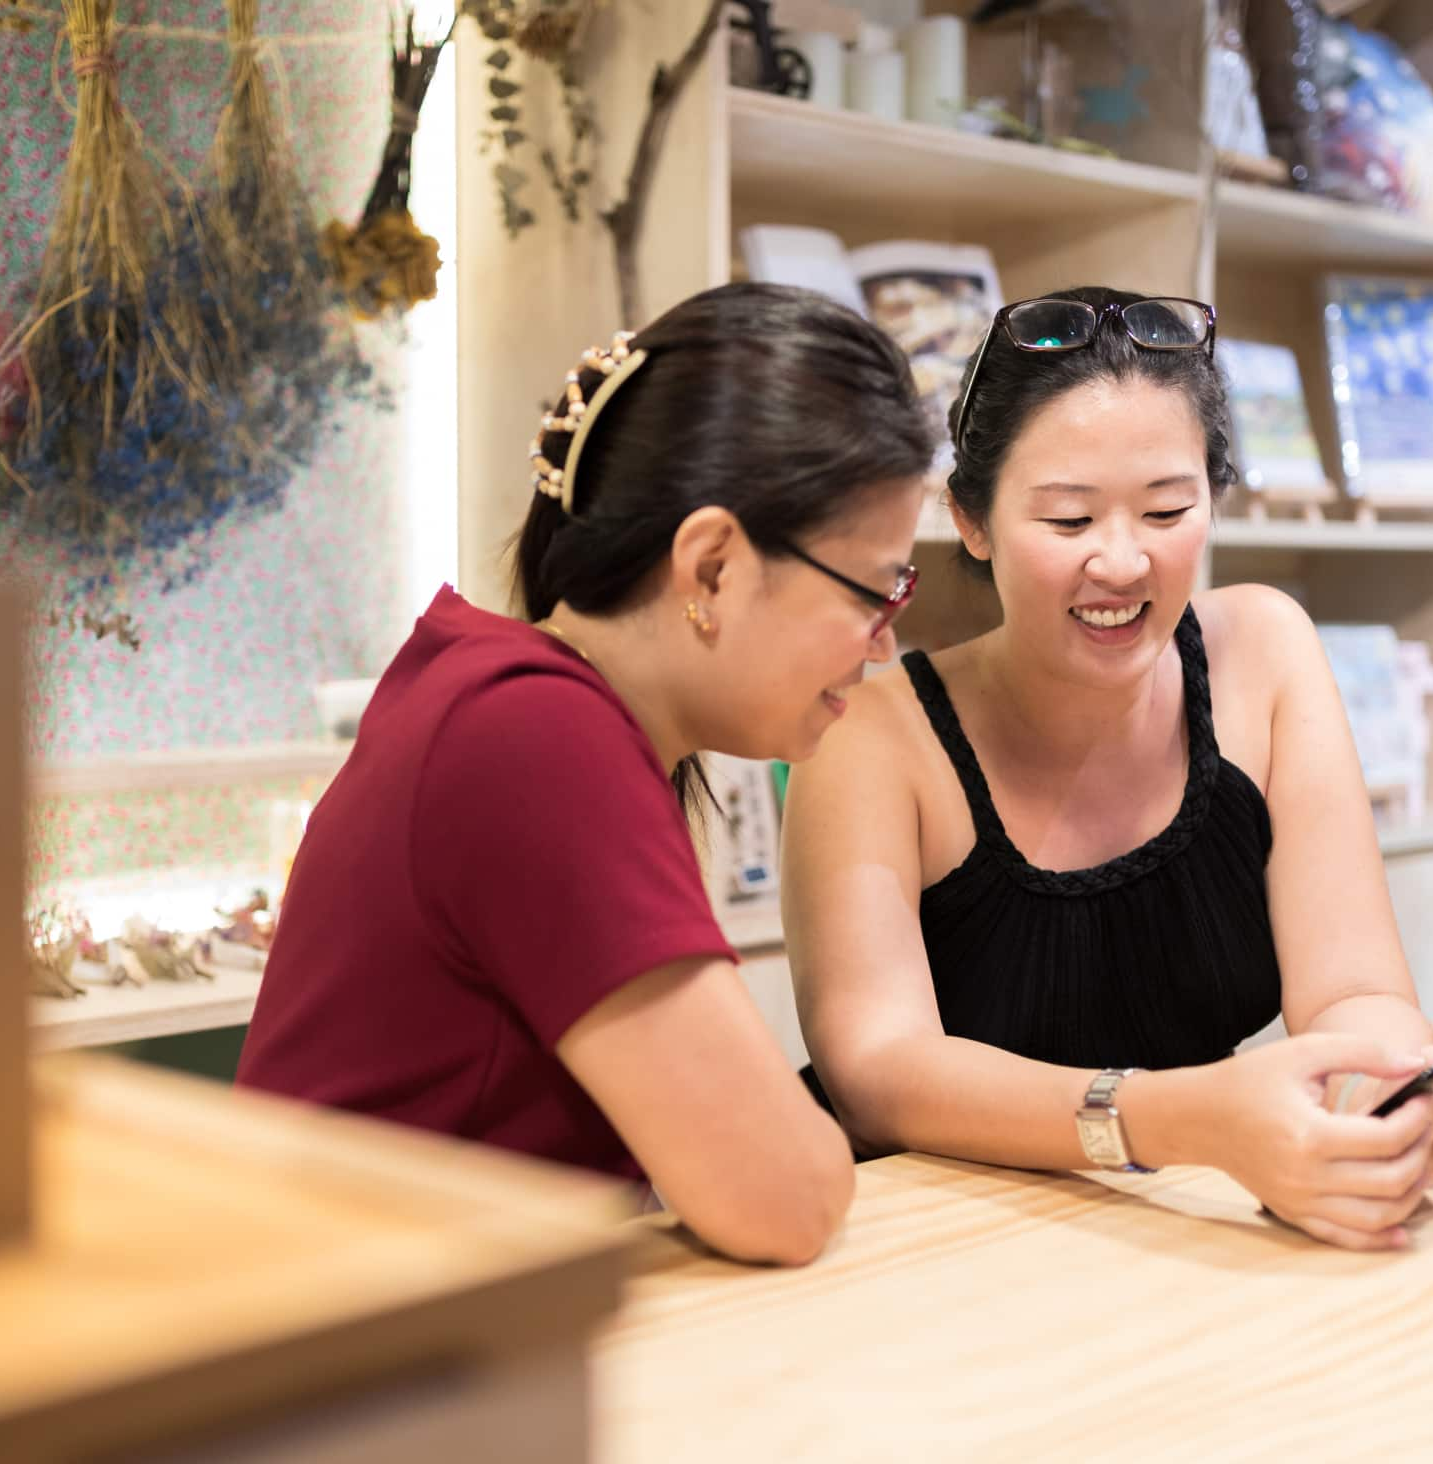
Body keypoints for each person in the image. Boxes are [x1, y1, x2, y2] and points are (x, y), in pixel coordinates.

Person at [238, 283, 937, 1265]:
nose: (882, 644)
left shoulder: (515, 698)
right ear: (711, 568)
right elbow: (783, 1197)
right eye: (876, 589)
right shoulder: (532, 736)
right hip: (355, 1369)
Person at [781, 286, 1433, 1253]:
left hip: (1183, 1230)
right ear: (970, 522)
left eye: (1167, 509)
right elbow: (879, 1071)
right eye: (1068, 522)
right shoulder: (878, 733)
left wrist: (1387, 1093)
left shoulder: (1264, 653)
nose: (1122, 562)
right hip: (933, 1244)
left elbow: (1352, 987)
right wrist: (1186, 1117)